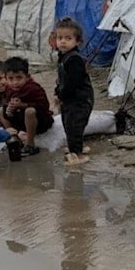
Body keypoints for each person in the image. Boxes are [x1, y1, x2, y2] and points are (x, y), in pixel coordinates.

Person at [53, 17, 94, 165]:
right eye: (60, 38)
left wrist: (61, 95)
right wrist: (58, 91)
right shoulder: (64, 57)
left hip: (79, 99)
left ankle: (77, 154)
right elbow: (61, 80)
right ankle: (76, 146)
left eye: (68, 38)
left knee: (74, 124)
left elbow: (73, 84)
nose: (63, 41)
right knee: (68, 123)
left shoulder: (75, 60)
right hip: (70, 98)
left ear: (77, 42)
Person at [3, 56, 54, 157]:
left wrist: (22, 105)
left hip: (40, 122)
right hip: (21, 122)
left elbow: (44, 107)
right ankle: (14, 140)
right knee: (1, 111)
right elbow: (6, 107)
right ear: (6, 78)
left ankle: (30, 144)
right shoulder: (9, 90)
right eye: (11, 78)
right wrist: (9, 110)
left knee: (29, 111)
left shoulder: (34, 88)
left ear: (27, 76)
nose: (15, 82)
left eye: (19, 78)